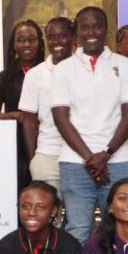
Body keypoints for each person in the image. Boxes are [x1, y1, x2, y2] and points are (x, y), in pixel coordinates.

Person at [52, 6, 128, 242]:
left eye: (97, 26)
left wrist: (106, 154)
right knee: (78, 230)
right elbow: (61, 118)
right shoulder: (63, 69)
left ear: (106, 29)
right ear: (77, 32)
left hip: (118, 161)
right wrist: (92, 159)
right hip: (75, 163)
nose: (91, 32)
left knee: (122, 230)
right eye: (85, 27)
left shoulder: (125, 65)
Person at [0, 19, 45, 191]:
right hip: (14, 148)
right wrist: (15, 115)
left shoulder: (52, 72)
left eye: (32, 39)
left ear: (40, 43)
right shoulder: (3, 78)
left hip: (48, 143)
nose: (26, 44)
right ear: (13, 44)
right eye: (21, 40)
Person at [19, 17, 74, 194]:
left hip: (80, 157)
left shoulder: (84, 69)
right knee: (50, 217)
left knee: (78, 217)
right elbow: (28, 121)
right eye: (51, 37)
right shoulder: (35, 74)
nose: (56, 42)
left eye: (62, 36)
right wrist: (33, 158)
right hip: (47, 155)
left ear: (73, 38)